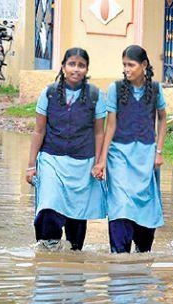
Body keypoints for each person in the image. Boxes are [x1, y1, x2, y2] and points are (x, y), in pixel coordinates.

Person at [25, 47, 107, 251]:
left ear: (87, 70)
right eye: (72, 64)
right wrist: (30, 165)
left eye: (81, 65)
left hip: (82, 163)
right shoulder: (49, 93)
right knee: (49, 207)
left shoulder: (95, 96)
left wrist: (99, 162)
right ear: (63, 67)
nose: (76, 69)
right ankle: (47, 255)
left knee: (77, 216)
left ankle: (73, 264)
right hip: (51, 159)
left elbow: (99, 133)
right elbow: (39, 130)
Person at [93, 45, 167, 254]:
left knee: (146, 203)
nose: (127, 69)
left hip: (146, 155)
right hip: (120, 155)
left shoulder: (155, 88)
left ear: (144, 65)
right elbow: (111, 125)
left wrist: (158, 152)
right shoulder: (116, 89)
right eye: (124, 65)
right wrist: (102, 160)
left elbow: (162, 120)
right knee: (121, 205)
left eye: (131, 65)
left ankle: (142, 251)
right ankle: (119, 254)